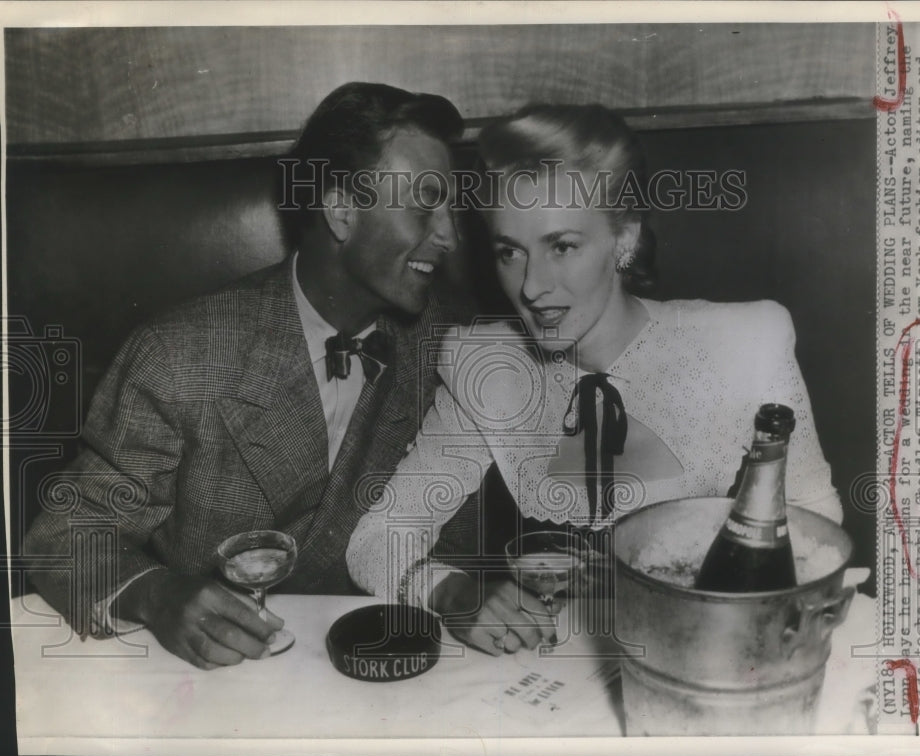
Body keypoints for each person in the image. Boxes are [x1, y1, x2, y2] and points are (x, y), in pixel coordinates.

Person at [346, 103, 844, 655]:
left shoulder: (745, 342)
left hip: (708, 654)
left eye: (563, 246)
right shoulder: (484, 365)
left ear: (624, 239)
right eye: (510, 252)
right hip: (547, 672)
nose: (533, 286)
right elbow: (376, 540)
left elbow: (816, 536)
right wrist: (449, 591)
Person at [25, 82, 478, 669]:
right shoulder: (180, 353)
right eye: (424, 207)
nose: (449, 235)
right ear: (341, 210)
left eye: (450, 210)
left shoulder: (454, 353)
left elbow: (460, 548)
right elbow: (65, 537)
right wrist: (154, 595)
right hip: (210, 677)